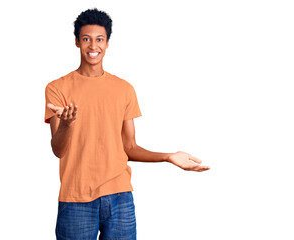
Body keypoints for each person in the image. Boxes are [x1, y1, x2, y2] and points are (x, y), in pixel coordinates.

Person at [44, 8, 210, 240]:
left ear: (108, 43)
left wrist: (168, 156)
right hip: (76, 199)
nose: (93, 46)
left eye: (99, 39)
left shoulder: (124, 89)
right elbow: (58, 150)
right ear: (77, 42)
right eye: (86, 39)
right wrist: (67, 125)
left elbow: (129, 148)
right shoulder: (57, 88)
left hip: (120, 197)